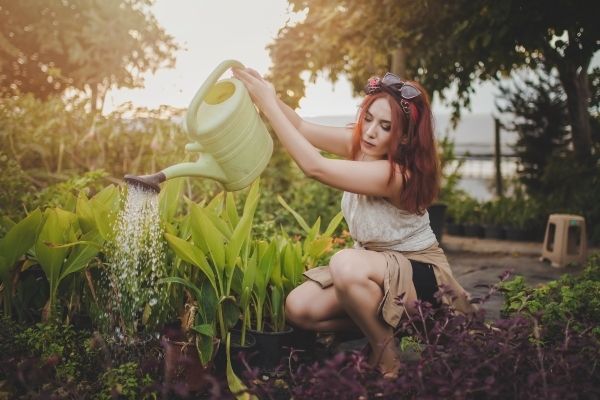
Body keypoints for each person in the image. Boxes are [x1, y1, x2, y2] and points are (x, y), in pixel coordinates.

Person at [232, 67, 477, 378]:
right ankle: (392, 325)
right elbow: (302, 127)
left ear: (403, 136)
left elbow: (315, 167)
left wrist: (267, 104)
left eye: (385, 126)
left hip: (420, 276)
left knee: (345, 262)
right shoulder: (362, 145)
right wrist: (264, 92)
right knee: (299, 307)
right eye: (369, 118)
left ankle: (385, 352)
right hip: (375, 271)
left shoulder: (397, 175)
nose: (371, 131)